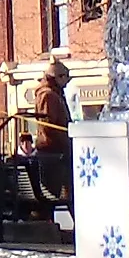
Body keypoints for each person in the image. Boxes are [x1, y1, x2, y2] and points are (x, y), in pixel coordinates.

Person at [30, 59, 73, 205]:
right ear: (59, 77)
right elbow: (48, 125)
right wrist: (64, 141)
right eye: (67, 77)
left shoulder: (52, 94)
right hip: (53, 153)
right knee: (56, 195)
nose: (67, 82)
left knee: (64, 194)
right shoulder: (48, 95)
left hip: (55, 152)